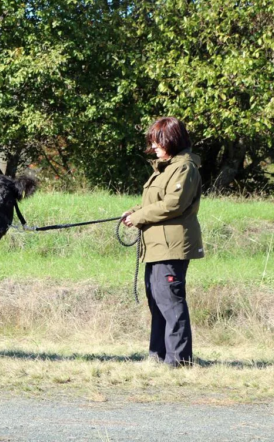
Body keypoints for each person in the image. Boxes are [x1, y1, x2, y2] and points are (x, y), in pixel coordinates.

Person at [122, 117, 204, 367]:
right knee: (157, 303)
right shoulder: (167, 168)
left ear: (171, 139)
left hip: (172, 246)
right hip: (157, 247)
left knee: (171, 304)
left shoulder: (184, 168)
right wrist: (133, 212)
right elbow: (156, 202)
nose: (153, 147)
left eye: (157, 141)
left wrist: (140, 216)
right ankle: (157, 357)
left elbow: (173, 204)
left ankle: (179, 361)